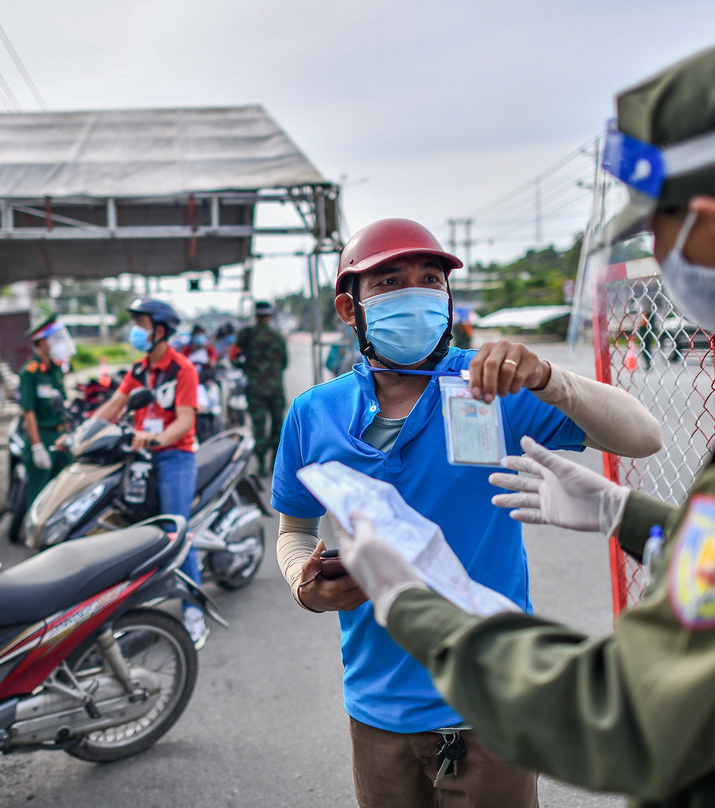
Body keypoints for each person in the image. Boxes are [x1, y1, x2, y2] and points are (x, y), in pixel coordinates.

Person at [334, 33, 715, 807]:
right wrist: (631, 515)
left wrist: (426, 610)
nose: (662, 258)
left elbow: (635, 715)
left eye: (658, 233)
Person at [271, 217, 663, 808]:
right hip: (376, 708)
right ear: (350, 310)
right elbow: (294, 529)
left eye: (431, 279)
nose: (416, 293)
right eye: (388, 282)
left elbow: (643, 436)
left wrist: (551, 380)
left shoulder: (491, 385)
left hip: (492, 699)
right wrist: (305, 582)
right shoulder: (314, 413)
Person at [82, 298, 209, 648]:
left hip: (173, 457)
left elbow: (185, 418)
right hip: (140, 458)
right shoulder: (138, 370)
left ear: (161, 330)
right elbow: (113, 405)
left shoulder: (183, 369)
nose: (136, 331)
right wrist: (81, 434)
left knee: (176, 531)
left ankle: (193, 610)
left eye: (142, 324)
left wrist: (158, 439)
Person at [18, 315, 73, 509]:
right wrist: (37, 446)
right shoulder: (30, 372)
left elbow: (63, 406)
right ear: (42, 342)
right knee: (39, 498)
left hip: (60, 438)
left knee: (64, 494)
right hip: (43, 437)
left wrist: (68, 433)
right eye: (55, 339)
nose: (59, 343)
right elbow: (29, 411)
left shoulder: (56, 370)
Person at [234, 300, 288, 475]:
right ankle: (274, 462)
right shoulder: (278, 337)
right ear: (270, 315)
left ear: (255, 315)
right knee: (277, 426)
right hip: (276, 390)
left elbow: (233, 356)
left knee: (259, 427)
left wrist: (245, 367)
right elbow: (285, 362)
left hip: (255, 389)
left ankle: (261, 465)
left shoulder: (246, 335)